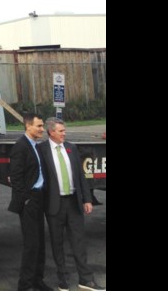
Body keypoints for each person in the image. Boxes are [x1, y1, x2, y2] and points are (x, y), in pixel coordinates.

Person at [38, 117, 106, 291]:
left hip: (73, 202)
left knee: (79, 242)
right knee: (57, 243)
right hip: (54, 205)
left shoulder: (71, 148)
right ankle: (63, 280)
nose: (64, 133)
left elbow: (80, 176)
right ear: (51, 132)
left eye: (64, 130)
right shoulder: (42, 150)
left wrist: (87, 199)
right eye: (61, 131)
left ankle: (86, 279)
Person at [8, 113, 54, 291]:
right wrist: (25, 199)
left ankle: (37, 280)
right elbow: (16, 176)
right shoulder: (20, 146)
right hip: (29, 200)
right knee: (31, 244)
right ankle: (25, 285)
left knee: (41, 242)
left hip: (40, 198)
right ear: (28, 126)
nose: (42, 129)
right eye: (39, 126)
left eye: (42, 126)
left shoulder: (37, 146)